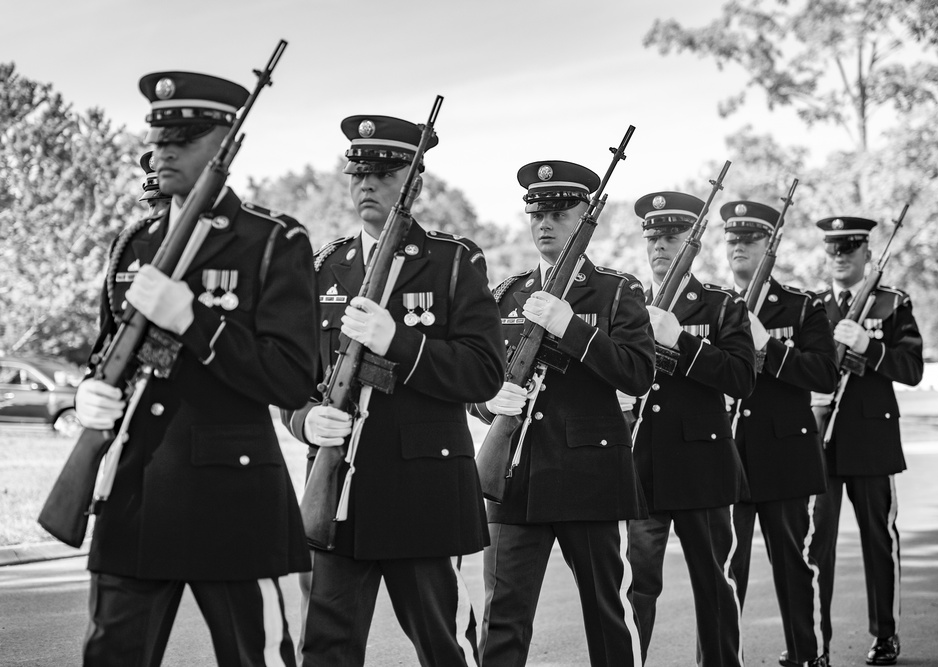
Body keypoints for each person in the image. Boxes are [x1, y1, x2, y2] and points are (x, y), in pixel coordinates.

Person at [73, 71, 318, 667]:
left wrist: (196, 323)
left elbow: (290, 378)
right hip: (137, 489)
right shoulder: (136, 241)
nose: (166, 152)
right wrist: (91, 392)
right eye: (160, 140)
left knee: (253, 655)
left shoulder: (271, 242)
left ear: (226, 144)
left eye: (185, 139)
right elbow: (108, 348)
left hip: (233, 501)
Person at [282, 114, 505, 667]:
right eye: (358, 174)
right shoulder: (326, 266)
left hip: (422, 493)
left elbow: (484, 373)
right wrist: (304, 420)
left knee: (443, 645)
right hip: (337, 495)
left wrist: (398, 341)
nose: (367, 185)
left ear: (415, 185)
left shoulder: (455, 262)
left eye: (383, 174)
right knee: (325, 649)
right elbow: (291, 377)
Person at [470, 160, 654, 667]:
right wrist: (489, 403)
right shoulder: (508, 294)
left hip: (588, 476)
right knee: (503, 617)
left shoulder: (618, 291)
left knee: (605, 613)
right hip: (516, 478)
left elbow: (638, 374)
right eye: (537, 213)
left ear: (585, 218)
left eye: (559, 211)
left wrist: (574, 328)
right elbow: (475, 378)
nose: (545, 223)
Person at [626, 191, 756, 666]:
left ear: (692, 244)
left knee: (714, 585)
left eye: (672, 235)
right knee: (636, 589)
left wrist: (679, 340)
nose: (660, 245)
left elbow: (742, 379)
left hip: (703, 467)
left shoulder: (722, 306)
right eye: (653, 236)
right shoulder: (627, 302)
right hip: (644, 467)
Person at [721, 200, 838, 667]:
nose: (738, 247)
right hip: (726, 453)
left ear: (770, 246)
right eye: (732, 239)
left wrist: (768, 346)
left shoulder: (801, 306)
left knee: (792, 564)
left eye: (749, 240)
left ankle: (809, 656)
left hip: (785, 455)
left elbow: (824, 375)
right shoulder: (712, 305)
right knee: (725, 573)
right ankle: (724, 658)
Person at [810, 216, 923, 666]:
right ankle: (815, 640)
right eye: (833, 250)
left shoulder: (893, 304)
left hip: (872, 442)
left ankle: (885, 635)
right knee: (816, 545)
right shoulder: (814, 306)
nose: (840, 258)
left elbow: (912, 369)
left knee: (879, 541)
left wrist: (868, 348)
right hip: (821, 439)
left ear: (866, 254)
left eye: (849, 250)